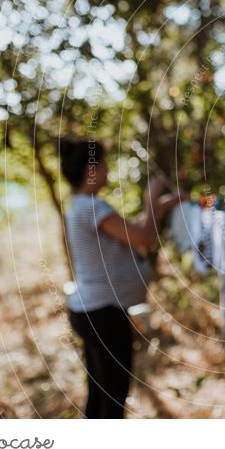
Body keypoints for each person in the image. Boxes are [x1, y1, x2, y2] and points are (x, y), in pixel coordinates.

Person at [59, 138, 182, 418]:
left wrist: (158, 208)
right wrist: (151, 198)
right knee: (113, 402)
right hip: (103, 315)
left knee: (99, 396)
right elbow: (143, 238)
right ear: (91, 170)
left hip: (92, 311)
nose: (107, 170)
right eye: (103, 164)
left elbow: (134, 229)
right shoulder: (92, 207)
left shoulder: (81, 206)